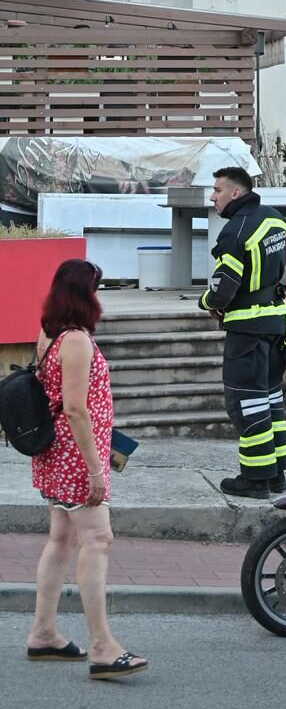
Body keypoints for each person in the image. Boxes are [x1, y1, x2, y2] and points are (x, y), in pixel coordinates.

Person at [26, 260, 148, 680]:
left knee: (61, 538)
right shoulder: (75, 341)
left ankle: (44, 633)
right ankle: (101, 646)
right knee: (99, 539)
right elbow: (75, 409)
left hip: (53, 454)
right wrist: (97, 471)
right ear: (85, 294)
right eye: (97, 289)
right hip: (76, 456)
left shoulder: (48, 333)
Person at [199, 167, 286, 498]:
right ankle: (276, 474)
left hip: (248, 328)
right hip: (275, 321)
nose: (213, 196)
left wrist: (206, 301)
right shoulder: (273, 218)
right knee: (269, 399)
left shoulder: (234, 231)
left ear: (236, 193)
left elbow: (224, 289)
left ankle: (255, 480)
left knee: (245, 403)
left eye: (217, 190)